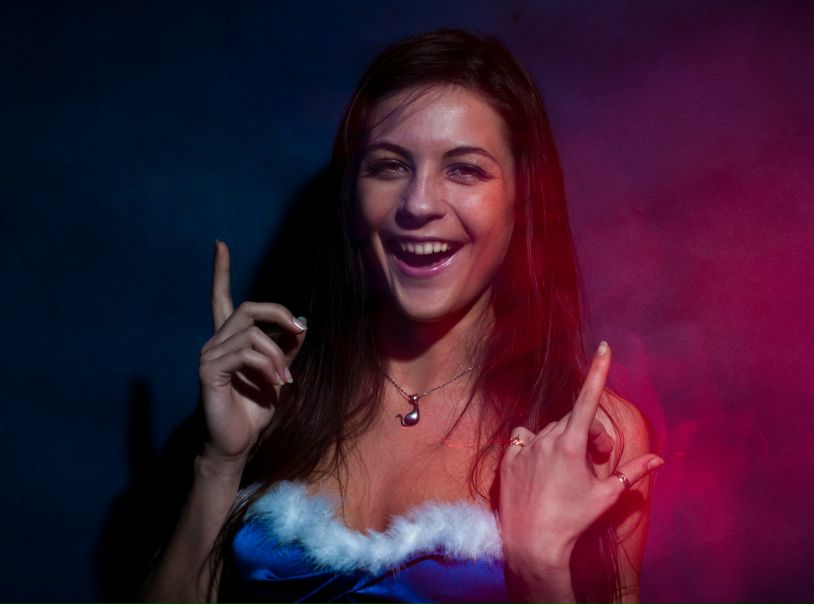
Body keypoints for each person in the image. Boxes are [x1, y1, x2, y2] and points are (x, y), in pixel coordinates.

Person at [144, 29, 661, 604]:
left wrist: (540, 569)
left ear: (523, 198)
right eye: (389, 166)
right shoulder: (272, 392)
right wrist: (221, 462)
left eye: (464, 170)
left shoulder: (589, 435)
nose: (418, 204)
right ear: (352, 195)